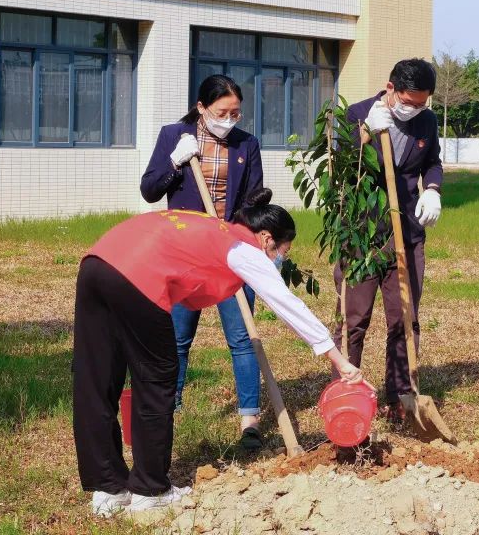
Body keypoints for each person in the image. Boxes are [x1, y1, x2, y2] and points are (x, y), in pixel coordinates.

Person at [73, 189, 363, 516]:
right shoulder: (242, 247)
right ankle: (149, 490)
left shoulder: (213, 228)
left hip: (96, 264)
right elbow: (287, 304)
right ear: (267, 238)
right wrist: (338, 359)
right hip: (138, 275)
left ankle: (108, 487)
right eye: (283, 249)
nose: (281, 257)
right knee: (156, 379)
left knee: (96, 380)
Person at [139, 75, 267, 450]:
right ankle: (170, 408)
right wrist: (174, 164)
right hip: (186, 252)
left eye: (236, 113)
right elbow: (149, 191)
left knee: (243, 337)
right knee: (178, 337)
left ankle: (250, 420)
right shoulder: (174, 136)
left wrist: (238, 225)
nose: (229, 119)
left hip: (231, 250)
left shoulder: (247, 144)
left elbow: (254, 197)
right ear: (201, 108)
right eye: (221, 112)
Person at [335, 58, 443, 423]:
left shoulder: (426, 121)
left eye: (422, 103)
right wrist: (363, 133)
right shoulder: (356, 113)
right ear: (390, 88)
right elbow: (337, 164)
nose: (414, 110)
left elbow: (433, 161)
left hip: (406, 234)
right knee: (354, 318)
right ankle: (347, 393)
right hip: (361, 236)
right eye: (409, 102)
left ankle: (401, 393)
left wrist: (432, 188)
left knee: (404, 317)